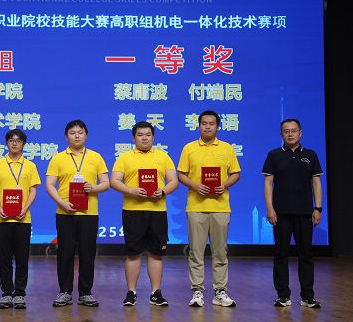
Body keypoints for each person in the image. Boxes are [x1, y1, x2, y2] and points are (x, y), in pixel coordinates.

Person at [110, 121, 179, 307]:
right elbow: (114, 181)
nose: (144, 138)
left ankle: (156, 293)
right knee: (133, 253)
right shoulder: (124, 157)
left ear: (153, 137)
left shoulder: (163, 157)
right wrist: (132, 191)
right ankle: (131, 292)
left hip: (157, 210)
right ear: (133, 138)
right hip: (133, 210)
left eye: (148, 135)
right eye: (140, 135)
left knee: (156, 253)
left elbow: (173, 180)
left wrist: (162, 191)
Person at [177, 110, 240, 307]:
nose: (207, 126)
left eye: (211, 123)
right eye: (204, 123)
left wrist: (224, 185)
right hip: (196, 206)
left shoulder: (227, 148)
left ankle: (220, 291)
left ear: (218, 127)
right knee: (196, 252)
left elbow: (235, 173)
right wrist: (195, 185)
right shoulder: (189, 148)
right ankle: (197, 291)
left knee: (220, 252)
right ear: (199, 126)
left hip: (221, 207)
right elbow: (181, 174)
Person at [45, 119, 110, 308]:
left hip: (89, 213)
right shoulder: (58, 158)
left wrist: (94, 188)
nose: (76, 136)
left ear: (86, 135)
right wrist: (62, 203)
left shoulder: (96, 157)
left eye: (80, 132)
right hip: (65, 212)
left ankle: (85, 293)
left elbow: (106, 183)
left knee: (87, 254)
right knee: (64, 253)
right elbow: (50, 184)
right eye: (72, 133)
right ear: (66, 136)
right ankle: (64, 292)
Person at [262, 118, 323, 308]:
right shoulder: (274, 155)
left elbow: (316, 183)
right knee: (281, 254)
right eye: (286, 131)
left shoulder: (310, 155)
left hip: (305, 213)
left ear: (300, 133)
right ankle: (283, 295)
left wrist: (318, 208)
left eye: (294, 131)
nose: (290, 134)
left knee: (306, 255)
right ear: (281, 134)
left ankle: (307, 296)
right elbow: (268, 184)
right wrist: (270, 208)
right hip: (280, 213)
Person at [0, 129, 41, 310]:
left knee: (22, 258)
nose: (14, 143)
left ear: (24, 144)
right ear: (6, 143)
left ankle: (19, 294)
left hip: (23, 219)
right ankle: (7, 294)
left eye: (18, 140)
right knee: (4, 258)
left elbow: (33, 190)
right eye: (11, 140)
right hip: (2, 219)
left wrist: (25, 208)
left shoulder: (30, 166)